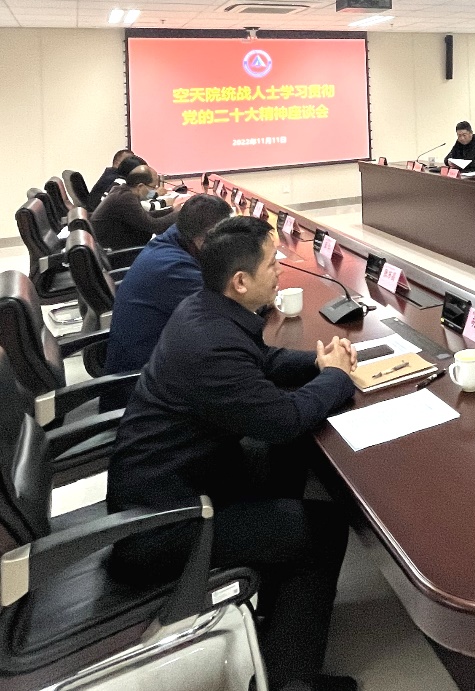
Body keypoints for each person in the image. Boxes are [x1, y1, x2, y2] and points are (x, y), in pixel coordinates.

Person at [107, 215, 359, 691]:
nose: (280, 269)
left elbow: (262, 363)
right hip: (165, 522)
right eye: (271, 263)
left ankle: (277, 601)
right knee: (323, 529)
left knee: (288, 455)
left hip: (182, 477)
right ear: (240, 281)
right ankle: (292, 682)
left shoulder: (205, 309)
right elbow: (284, 418)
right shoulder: (211, 346)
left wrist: (318, 363)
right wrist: (336, 379)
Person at [105, 193, 233, 376]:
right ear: (203, 240)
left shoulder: (172, 239)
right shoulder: (175, 268)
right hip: (139, 381)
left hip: (153, 363)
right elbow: (228, 312)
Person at [90, 165, 186, 249]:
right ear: (140, 186)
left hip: (114, 245)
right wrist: (180, 213)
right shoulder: (125, 198)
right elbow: (154, 226)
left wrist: (171, 210)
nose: (154, 191)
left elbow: (146, 215)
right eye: (153, 187)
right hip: (118, 253)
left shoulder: (122, 191)